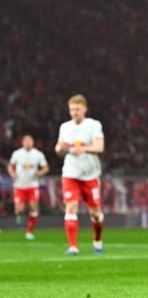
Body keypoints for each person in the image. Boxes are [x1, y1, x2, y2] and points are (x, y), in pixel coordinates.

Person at [55, 95, 105, 256]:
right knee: (71, 206)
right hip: (71, 173)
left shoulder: (94, 125)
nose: (74, 112)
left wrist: (83, 149)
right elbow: (58, 149)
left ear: (84, 109)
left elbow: (99, 147)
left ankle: (97, 241)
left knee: (95, 213)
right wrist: (60, 148)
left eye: (77, 109)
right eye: (71, 109)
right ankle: (73, 246)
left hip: (90, 175)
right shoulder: (65, 127)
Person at [7, 135, 49, 239]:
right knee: (20, 209)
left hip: (32, 185)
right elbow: (10, 165)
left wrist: (39, 173)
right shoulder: (17, 153)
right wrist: (12, 173)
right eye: (26, 141)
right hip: (19, 185)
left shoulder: (38, 154)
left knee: (33, 207)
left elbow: (46, 168)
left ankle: (29, 231)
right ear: (22, 142)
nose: (27, 143)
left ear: (32, 142)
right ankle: (19, 214)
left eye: (29, 141)